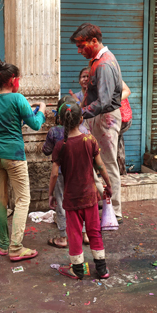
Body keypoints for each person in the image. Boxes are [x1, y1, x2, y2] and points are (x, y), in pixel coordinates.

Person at [0, 58, 46, 261]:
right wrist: (41, 108)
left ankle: (4, 243)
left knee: (0, 202)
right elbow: (35, 124)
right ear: (12, 80)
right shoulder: (18, 100)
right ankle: (16, 247)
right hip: (14, 157)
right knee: (23, 199)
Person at [48, 100, 113, 280]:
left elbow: (54, 175)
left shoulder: (60, 146)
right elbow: (100, 166)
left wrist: (50, 194)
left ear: (61, 121)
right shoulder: (89, 140)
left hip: (71, 199)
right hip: (90, 197)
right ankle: (102, 269)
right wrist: (108, 185)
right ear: (82, 119)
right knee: (93, 232)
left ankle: (77, 270)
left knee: (74, 233)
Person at [70, 23, 123, 220]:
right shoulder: (96, 61)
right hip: (97, 118)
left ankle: (115, 211)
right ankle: (105, 200)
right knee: (90, 162)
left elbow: (104, 101)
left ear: (94, 41)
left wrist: (80, 113)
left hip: (105, 118)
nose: (79, 51)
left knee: (108, 164)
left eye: (82, 46)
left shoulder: (105, 64)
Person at [42, 95, 91, 249]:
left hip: (62, 174)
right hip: (81, 175)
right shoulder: (84, 130)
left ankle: (64, 237)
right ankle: (85, 234)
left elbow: (46, 151)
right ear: (80, 117)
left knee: (62, 204)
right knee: (81, 203)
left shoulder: (54, 132)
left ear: (59, 117)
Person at [117, 80, 133, 174]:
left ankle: (120, 173)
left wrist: (111, 101)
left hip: (119, 119)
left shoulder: (112, 74)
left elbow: (127, 91)